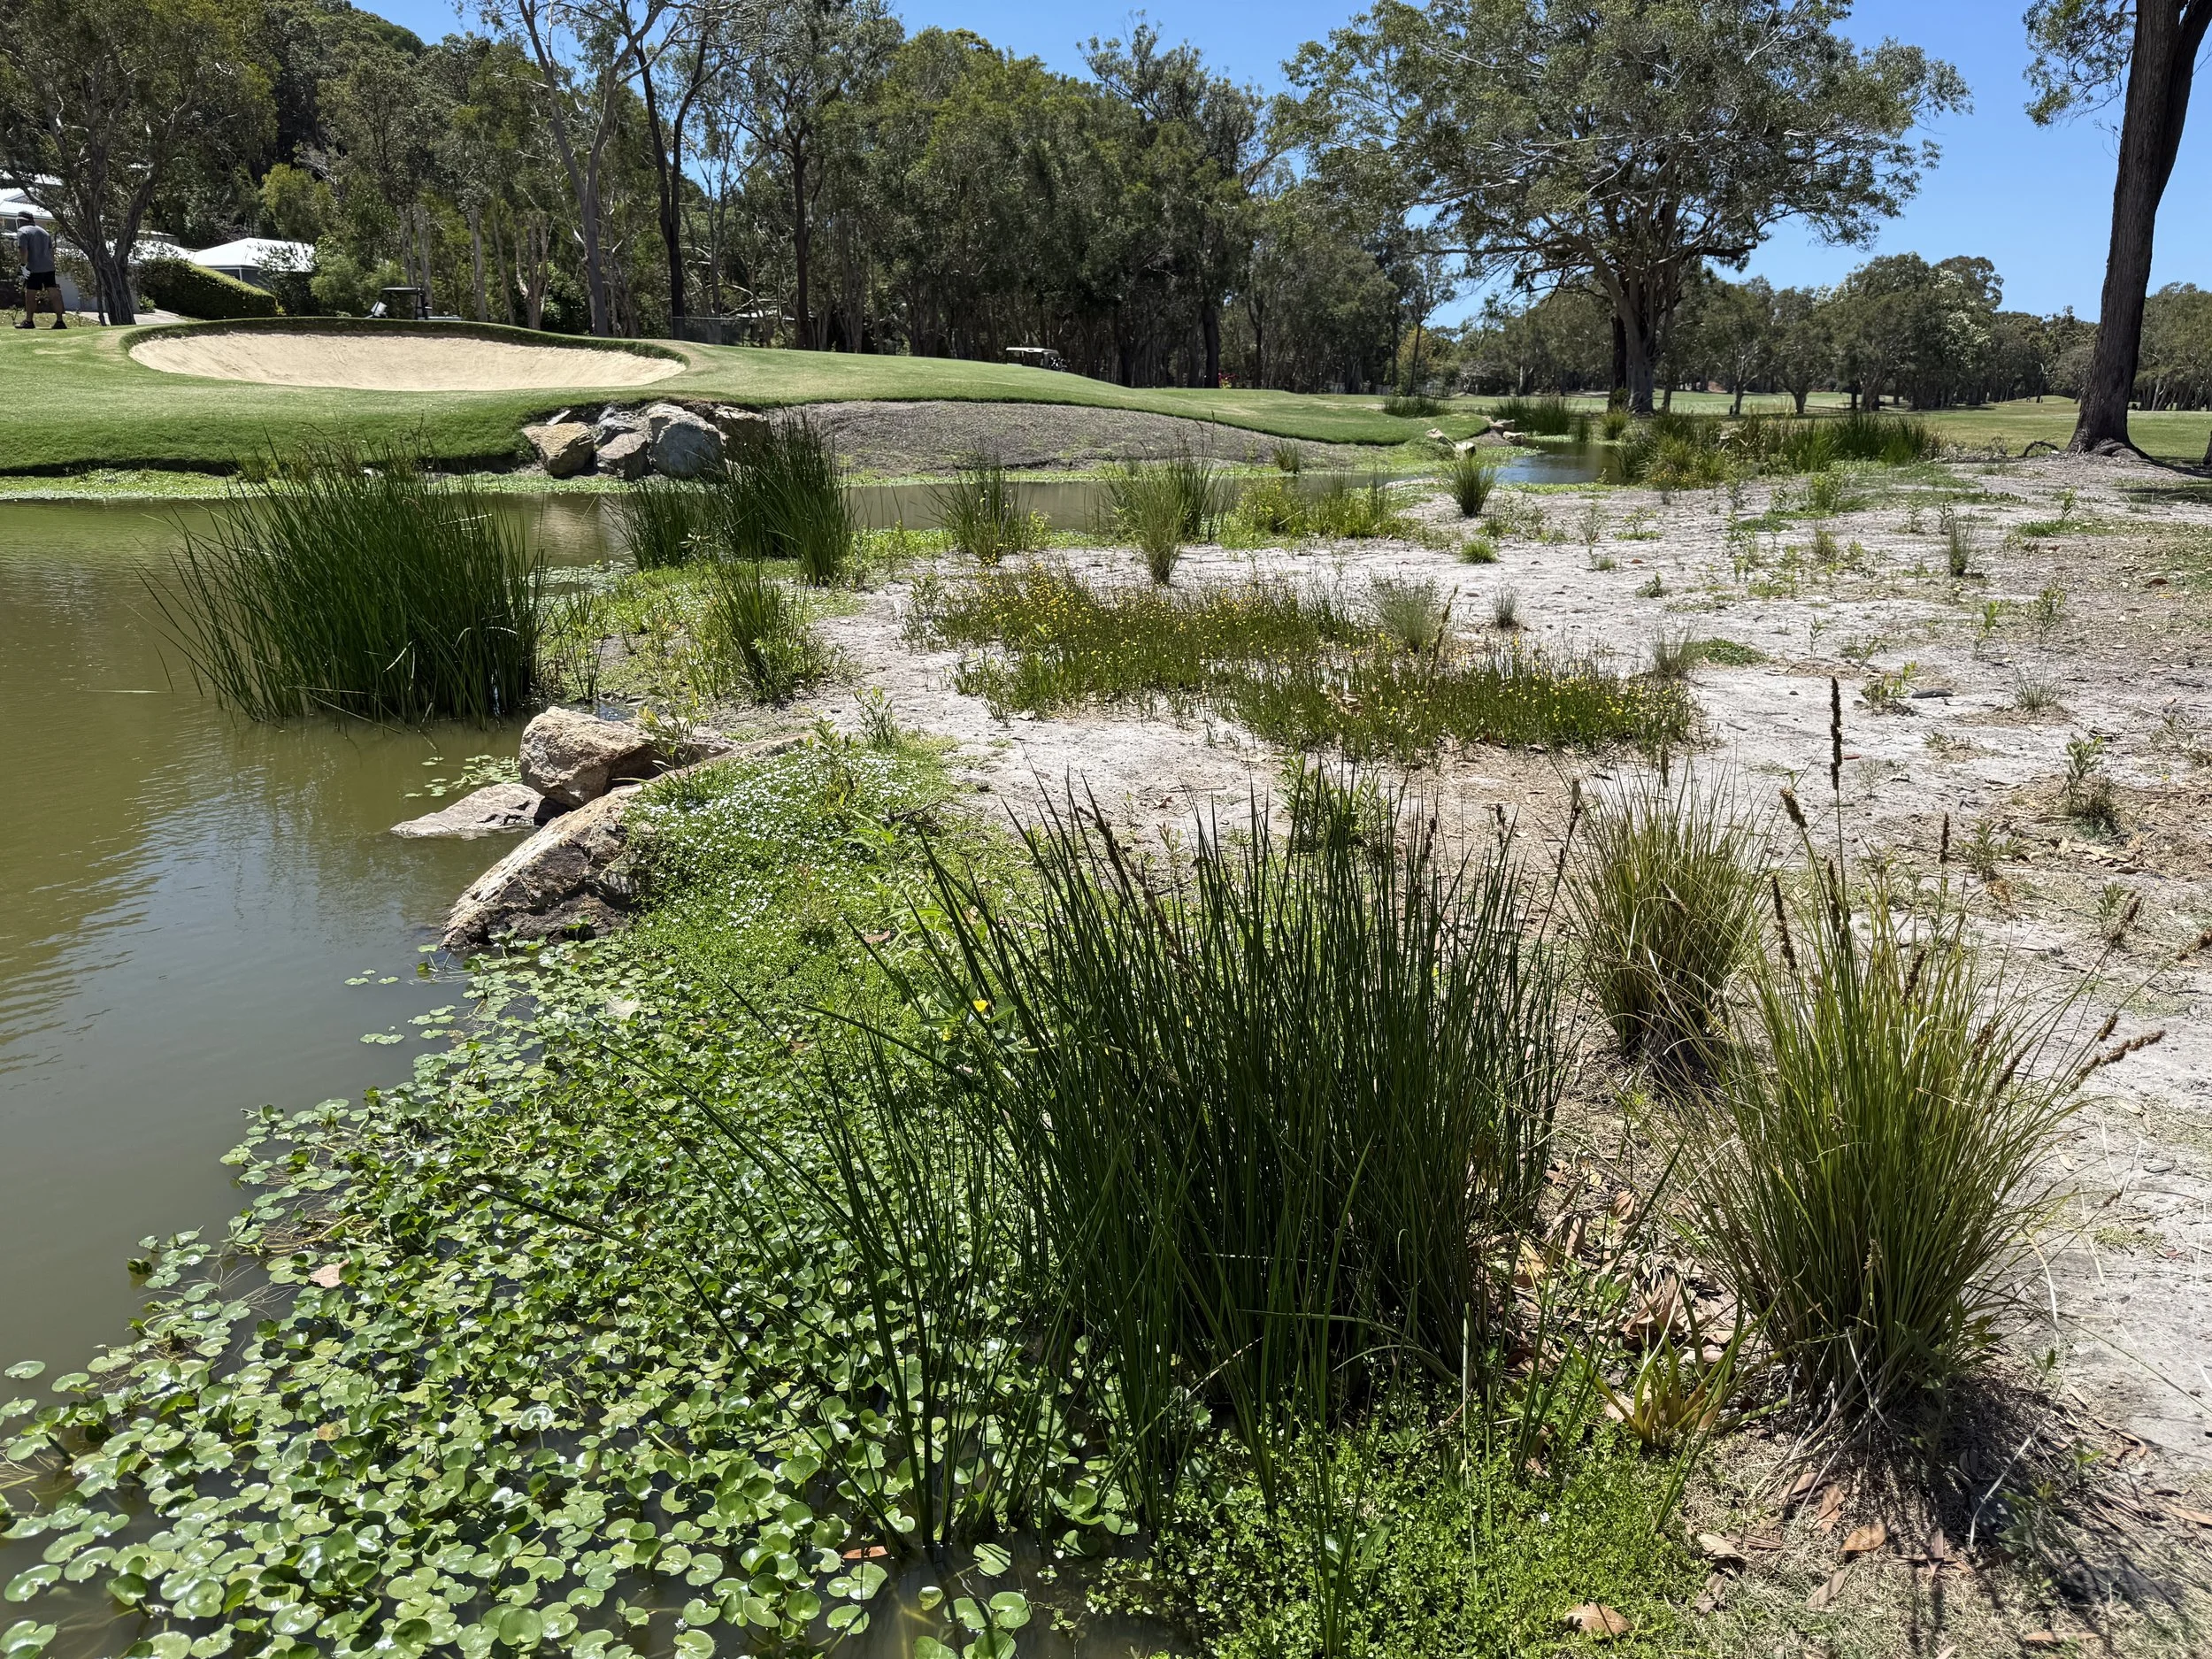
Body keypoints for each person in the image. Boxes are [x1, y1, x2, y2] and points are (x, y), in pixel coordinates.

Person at [15, 220, 63, 329]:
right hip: (49, 267)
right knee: (53, 292)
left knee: (30, 294)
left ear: (20, 221)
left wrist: (23, 265)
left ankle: (29, 321)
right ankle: (60, 321)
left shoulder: (22, 231)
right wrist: (52, 264)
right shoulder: (44, 232)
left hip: (34, 267)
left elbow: (23, 249)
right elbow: (51, 251)